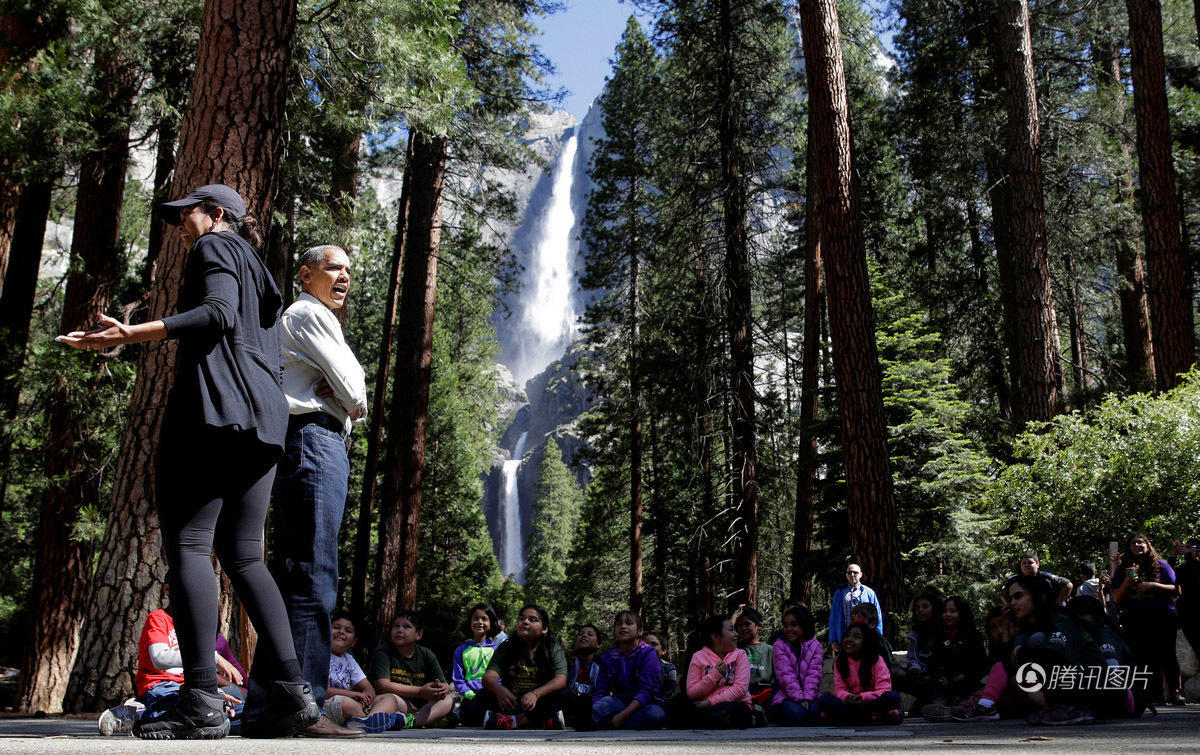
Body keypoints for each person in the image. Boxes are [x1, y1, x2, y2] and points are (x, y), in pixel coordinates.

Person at [60, 184, 318, 739]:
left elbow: (218, 315)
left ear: (218, 214)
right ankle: (293, 697)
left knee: (191, 546)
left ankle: (200, 701)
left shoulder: (215, 247)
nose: (182, 227)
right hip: (265, 421)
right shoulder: (263, 275)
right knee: (246, 557)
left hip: (214, 414)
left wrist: (135, 333)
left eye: (188, 215)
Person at [257, 243, 366, 737]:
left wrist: (338, 385)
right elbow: (357, 391)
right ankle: (302, 708)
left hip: (309, 442)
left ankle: (267, 708)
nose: (344, 276)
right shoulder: (307, 313)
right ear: (305, 274)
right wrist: (341, 387)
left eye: (349, 269)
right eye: (333, 267)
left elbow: (345, 386)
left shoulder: (317, 319)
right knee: (313, 578)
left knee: (296, 576)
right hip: (315, 442)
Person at [99, 607, 246, 735]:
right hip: (161, 684)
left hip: (191, 688)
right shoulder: (159, 618)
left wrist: (215, 697)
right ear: (169, 591)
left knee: (244, 716)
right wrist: (211, 657)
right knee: (194, 713)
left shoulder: (196, 625)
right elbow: (160, 659)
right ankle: (139, 714)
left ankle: (208, 716)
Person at [1109, 533, 1185, 705]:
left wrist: (1153, 585)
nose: (1137, 545)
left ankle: (1175, 692)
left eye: (1141, 542)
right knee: (1144, 656)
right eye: (1133, 543)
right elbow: (1116, 597)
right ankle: (1154, 694)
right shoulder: (1124, 568)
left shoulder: (1162, 565)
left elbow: (1177, 589)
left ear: (1148, 545)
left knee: (1167, 654)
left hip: (1163, 616)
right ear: (1129, 548)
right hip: (1136, 618)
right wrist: (1127, 583)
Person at [478, 604, 572, 729]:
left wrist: (535, 694)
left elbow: (561, 679)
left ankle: (513, 721)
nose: (525, 622)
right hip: (511, 703)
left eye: (532, 620)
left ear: (544, 629)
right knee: (477, 700)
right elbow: (488, 677)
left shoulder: (553, 649)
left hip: (540, 703)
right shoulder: (506, 648)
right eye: (522, 619)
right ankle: (543, 721)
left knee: (569, 694)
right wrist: (498, 690)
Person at [368, 610, 456, 728]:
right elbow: (382, 685)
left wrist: (441, 690)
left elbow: (444, 684)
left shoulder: (426, 654)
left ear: (418, 634)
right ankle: (428, 720)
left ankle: (410, 721)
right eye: (396, 626)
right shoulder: (383, 652)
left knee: (448, 699)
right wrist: (420, 692)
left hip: (420, 707)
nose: (399, 630)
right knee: (390, 698)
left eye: (406, 627)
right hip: (397, 703)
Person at [667, 615, 752, 729]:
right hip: (704, 706)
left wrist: (711, 702)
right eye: (731, 630)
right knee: (680, 707)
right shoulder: (699, 657)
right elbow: (692, 692)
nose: (736, 634)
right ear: (716, 637)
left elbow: (740, 689)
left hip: (734, 704)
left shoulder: (740, 655)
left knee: (729, 712)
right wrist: (714, 675)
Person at [323, 611, 399, 734]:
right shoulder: (318, 655)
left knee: (389, 698)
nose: (341, 632)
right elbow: (319, 690)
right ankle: (366, 720)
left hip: (353, 705)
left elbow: (369, 690)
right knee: (347, 703)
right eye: (336, 627)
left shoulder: (349, 660)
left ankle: (366, 721)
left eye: (348, 631)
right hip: (328, 704)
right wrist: (353, 695)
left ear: (353, 641)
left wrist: (363, 701)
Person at [814, 620, 903, 725]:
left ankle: (852, 718)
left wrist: (863, 697)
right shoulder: (839, 661)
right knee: (824, 700)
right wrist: (847, 696)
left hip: (871, 702)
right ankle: (875, 718)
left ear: (865, 642)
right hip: (849, 704)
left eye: (856, 637)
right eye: (847, 636)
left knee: (892, 696)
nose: (849, 640)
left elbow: (884, 689)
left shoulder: (876, 659)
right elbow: (839, 689)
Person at [588, 611, 665, 730]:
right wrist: (595, 707)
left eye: (629, 623)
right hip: (619, 701)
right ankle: (587, 719)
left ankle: (611, 723)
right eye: (619, 624)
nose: (623, 626)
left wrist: (621, 717)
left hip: (645, 703)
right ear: (614, 631)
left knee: (655, 715)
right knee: (603, 706)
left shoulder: (648, 653)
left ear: (640, 631)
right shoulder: (608, 657)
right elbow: (601, 690)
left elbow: (645, 692)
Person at [921, 596, 987, 720]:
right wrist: (940, 676)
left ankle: (959, 709)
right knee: (939, 698)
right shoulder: (938, 635)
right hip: (944, 685)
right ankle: (941, 710)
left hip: (967, 684)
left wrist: (964, 676)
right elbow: (933, 661)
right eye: (945, 611)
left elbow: (980, 664)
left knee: (964, 699)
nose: (948, 614)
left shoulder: (973, 636)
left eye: (952, 611)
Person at [768, 604, 823, 725]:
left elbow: (814, 675)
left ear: (804, 625)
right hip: (785, 696)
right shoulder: (779, 645)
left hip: (810, 695)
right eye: (786, 625)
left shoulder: (816, 646)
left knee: (814, 711)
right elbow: (786, 676)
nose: (789, 629)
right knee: (799, 714)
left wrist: (807, 698)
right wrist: (799, 698)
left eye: (794, 625)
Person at [451, 603, 504, 726]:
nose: (479, 622)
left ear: (491, 624)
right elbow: (458, 681)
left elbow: (501, 678)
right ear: (470, 623)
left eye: (484, 619)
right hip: (471, 699)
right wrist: (473, 696)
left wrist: (493, 693)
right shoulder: (461, 650)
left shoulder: (497, 650)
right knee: (471, 714)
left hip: (492, 696)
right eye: (475, 618)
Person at [829, 564, 882, 653]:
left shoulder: (869, 593)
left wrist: (878, 637)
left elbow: (877, 617)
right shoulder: (839, 594)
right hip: (845, 639)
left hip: (866, 639)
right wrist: (833, 640)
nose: (852, 575)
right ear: (846, 575)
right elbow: (833, 618)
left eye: (855, 572)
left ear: (861, 574)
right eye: (849, 573)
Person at [732, 606, 774, 718]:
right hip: (742, 693)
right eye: (739, 625)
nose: (743, 628)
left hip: (765, 693)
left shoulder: (770, 650)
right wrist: (734, 617)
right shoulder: (736, 649)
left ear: (759, 625)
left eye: (747, 624)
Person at [902, 591, 942, 703]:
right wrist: (915, 668)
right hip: (920, 676)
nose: (920, 610)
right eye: (917, 608)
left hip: (939, 677)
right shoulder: (915, 633)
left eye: (925, 607)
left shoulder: (943, 631)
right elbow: (912, 657)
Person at [1007, 551, 1072, 606]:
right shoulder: (1013, 580)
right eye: (1024, 563)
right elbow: (1003, 595)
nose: (1027, 565)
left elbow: (1068, 584)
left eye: (1030, 562)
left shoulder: (1047, 577)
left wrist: (1056, 604)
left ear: (1037, 564)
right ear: (1020, 566)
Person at [1172, 538, 1200, 663]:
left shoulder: (1194, 566)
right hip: (1187, 615)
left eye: (1189, 547)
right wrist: (1173, 555)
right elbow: (1166, 575)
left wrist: (1188, 555)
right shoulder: (1183, 568)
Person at [641, 631, 678, 699]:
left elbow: (668, 694)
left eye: (654, 644)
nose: (648, 647)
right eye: (645, 644)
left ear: (663, 650)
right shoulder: (632, 665)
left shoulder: (669, 668)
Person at [568, 623, 602, 696]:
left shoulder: (603, 666)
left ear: (598, 644)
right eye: (580, 634)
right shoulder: (566, 660)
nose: (584, 636)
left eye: (590, 634)